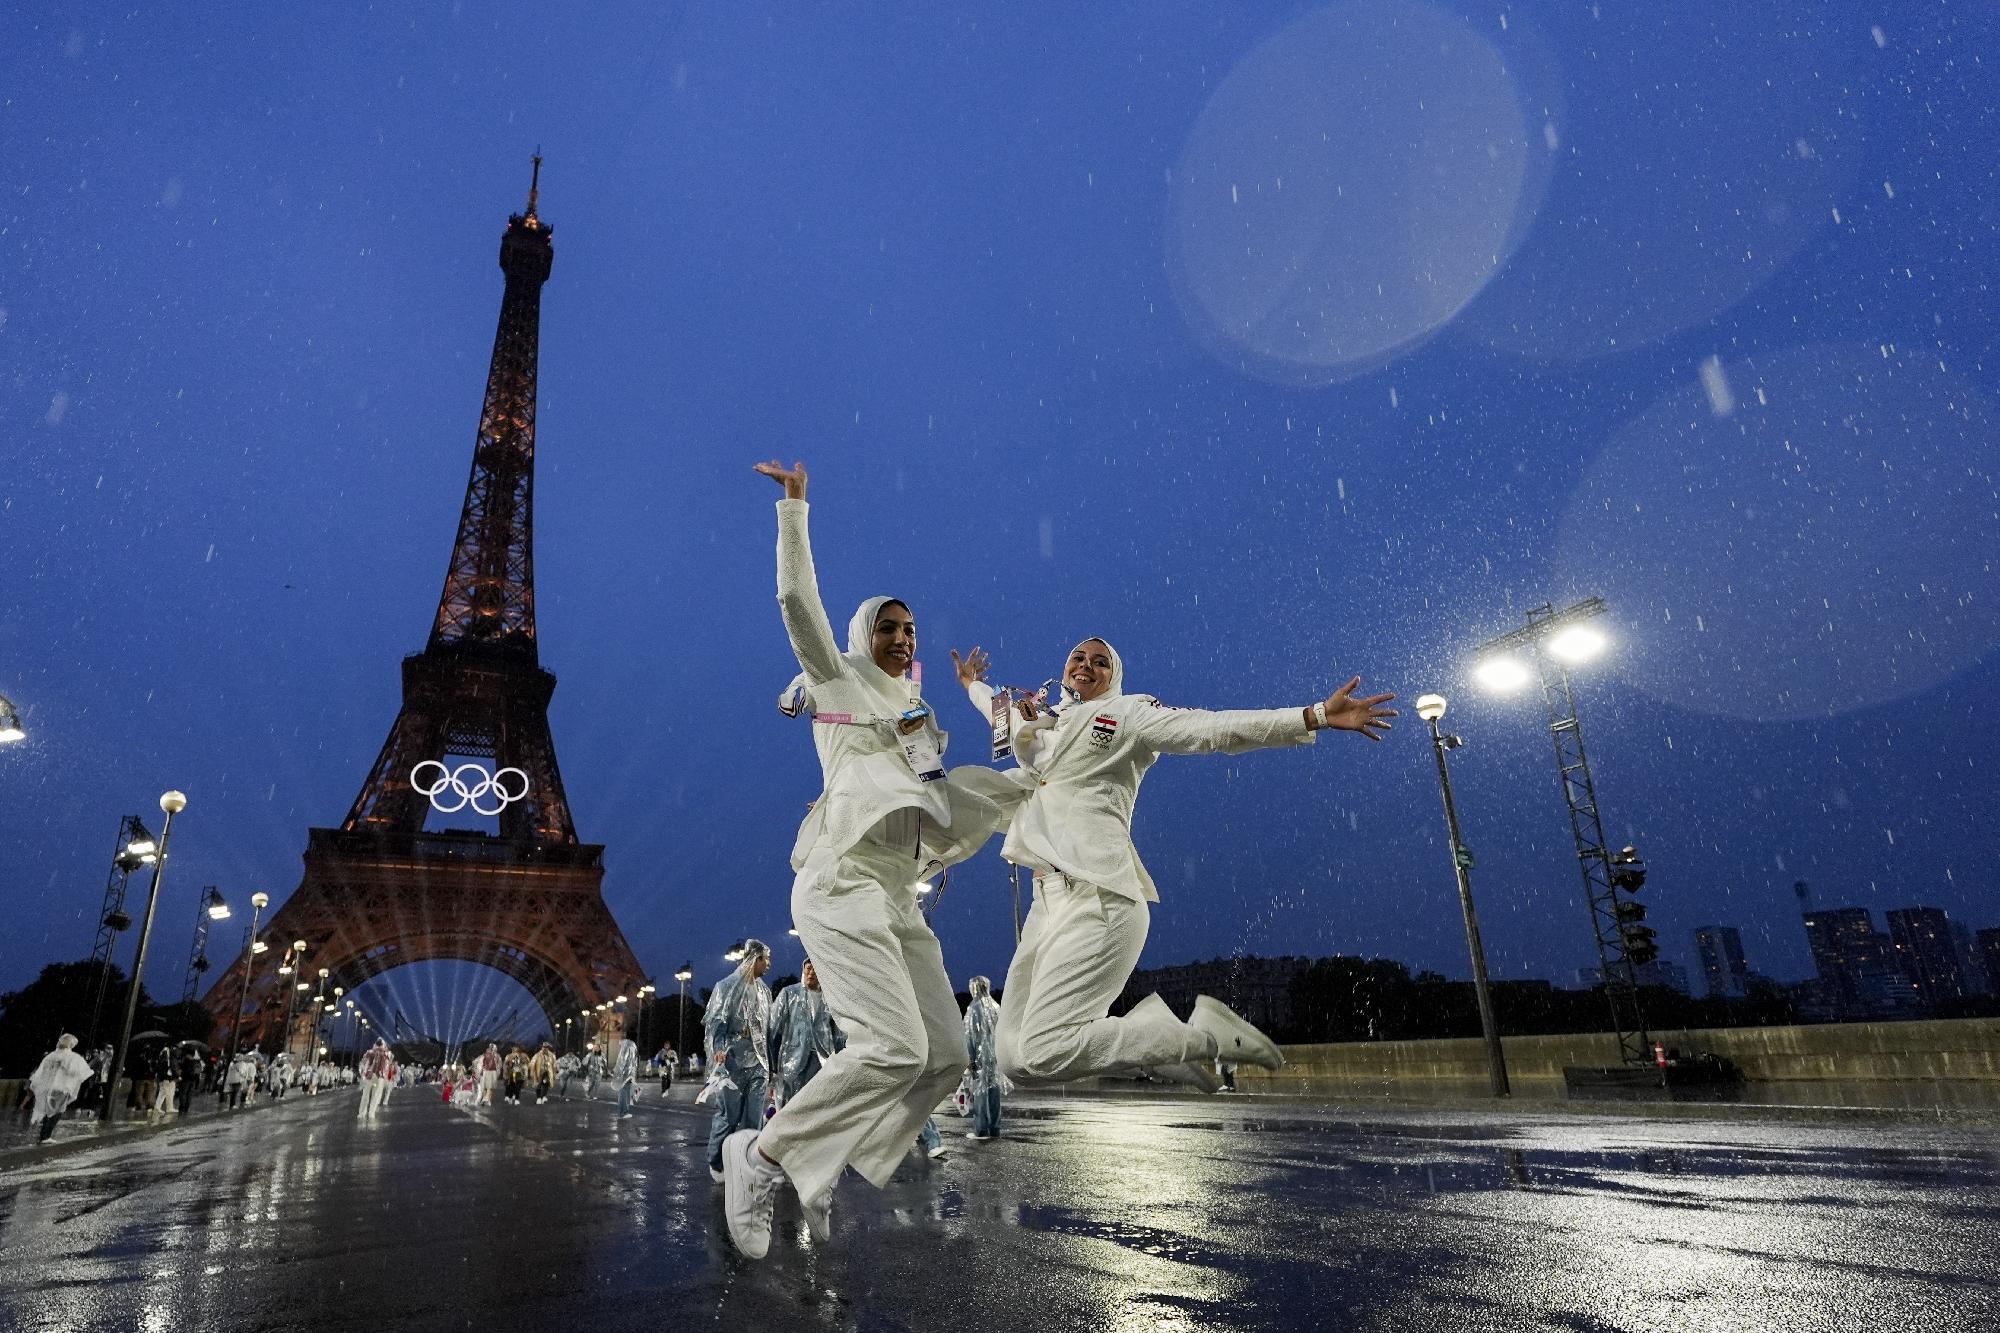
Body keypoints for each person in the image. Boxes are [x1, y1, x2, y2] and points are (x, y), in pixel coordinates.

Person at [720, 459, 1014, 1262]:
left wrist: (1021, 781)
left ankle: (816, 1161)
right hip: (841, 880)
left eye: (910, 629)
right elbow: (795, 603)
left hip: (894, 894)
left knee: (945, 1053)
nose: (901, 637)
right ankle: (767, 1154)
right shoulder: (839, 681)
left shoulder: (916, 712)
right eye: (888, 626)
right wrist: (795, 512)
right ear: (862, 637)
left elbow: (936, 795)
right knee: (892, 1048)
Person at [952, 638, 1394, 1095]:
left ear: (1114, 676)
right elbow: (994, 709)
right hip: (1045, 908)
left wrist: (1315, 714)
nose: (1087, 666)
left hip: (1100, 897)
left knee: (1045, 1050)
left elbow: (1209, 730)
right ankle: (1159, 1049)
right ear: (1064, 670)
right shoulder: (1042, 725)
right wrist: (971, 683)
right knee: (1015, 1060)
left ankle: (1202, 1037)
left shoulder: (1127, 714)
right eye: (1078, 659)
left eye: (1100, 662)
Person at [704, 941, 775, 1178]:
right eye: (766, 958)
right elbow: (717, 1022)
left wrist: (770, 1067)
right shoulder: (726, 987)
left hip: (758, 1064)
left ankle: (745, 1163)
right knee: (729, 1115)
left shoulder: (765, 992)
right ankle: (716, 1162)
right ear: (754, 959)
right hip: (732, 1063)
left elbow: (768, 1030)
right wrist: (721, 1049)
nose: (769, 964)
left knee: (754, 1118)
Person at [768, 960, 843, 1109]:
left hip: (822, 1060)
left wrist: (841, 1060)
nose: (811, 972)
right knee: (790, 1106)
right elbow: (771, 1028)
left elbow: (838, 1034)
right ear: (803, 970)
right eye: (808, 968)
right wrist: (771, 1064)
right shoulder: (789, 994)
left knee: (816, 1106)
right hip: (793, 1060)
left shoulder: (830, 998)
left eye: (816, 969)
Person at [27, 1034, 94, 1144]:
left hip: (48, 1087)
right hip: (61, 1088)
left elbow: (41, 1071)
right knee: (56, 1112)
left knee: (49, 1111)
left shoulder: (51, 1056)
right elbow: (82, 1072)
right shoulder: (73, 1057)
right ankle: (45, 1135)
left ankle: (44, 1134)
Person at [961, 975, 1004, 1141]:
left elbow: (970, 1037)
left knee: (980, 1093)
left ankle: (981, 1129)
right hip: (995, 1056)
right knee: (994, 1092)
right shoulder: (996, 1007)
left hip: (980, 1058)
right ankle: (995, 1128)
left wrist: (970, 1061)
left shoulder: (974, 1008)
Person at [359, 1039, 394, 1117]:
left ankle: (367, 1113)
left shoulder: (385, 1054)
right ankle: (366, 1113)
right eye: (382, 1045)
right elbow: (364, 1060)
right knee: (369, 1095)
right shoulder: (373, 1052)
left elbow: (390, 1059)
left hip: (375, 1077)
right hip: (373, 1076)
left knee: (370, 1095)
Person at [611, 1034, 640, 1119]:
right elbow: (631, 1063)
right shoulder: (631, 1047)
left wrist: (617, 1073)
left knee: (625, 1093)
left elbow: (621, 1061)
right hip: (628, 1075)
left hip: (625, 1075)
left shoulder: (626, 1046)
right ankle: (623, 1113)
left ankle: (623, 1112)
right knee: (625, 1093)